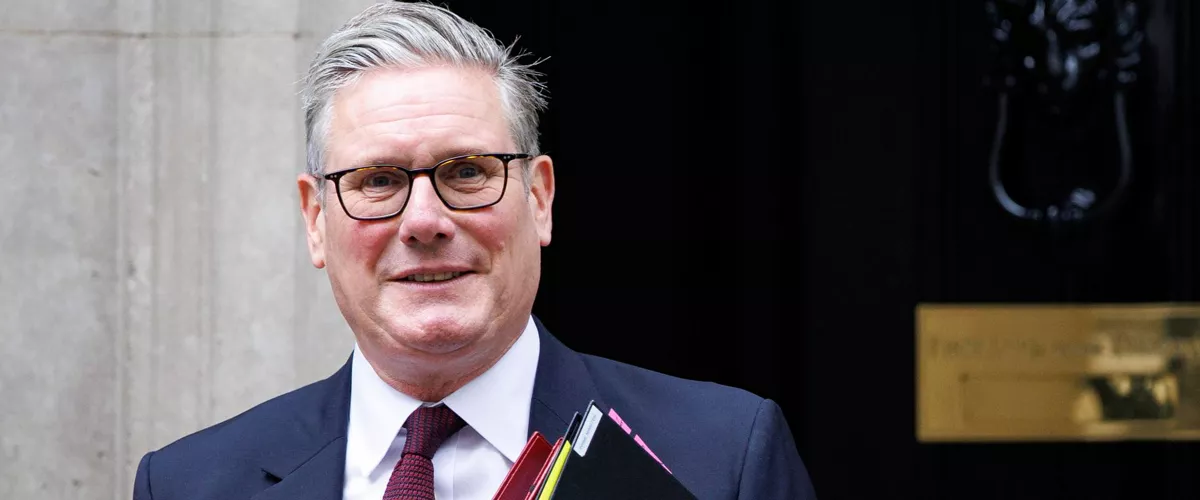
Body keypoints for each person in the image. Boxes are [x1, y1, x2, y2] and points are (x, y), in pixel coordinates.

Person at [131, 2, 816, 499]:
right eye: (377, 180)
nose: (424, 220)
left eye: (466, 172)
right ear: (316, 219)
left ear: (539, 198)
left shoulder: (721, 459)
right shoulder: (193, 483)